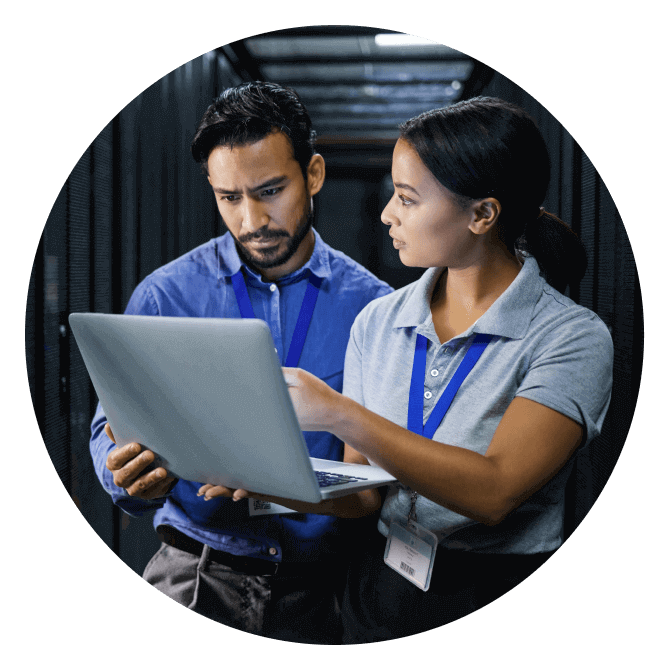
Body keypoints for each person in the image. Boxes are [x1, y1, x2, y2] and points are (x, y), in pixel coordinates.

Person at [214, 96, 614, 642]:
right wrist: (270, 479)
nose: (386, 215)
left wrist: (338, 414)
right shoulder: (378, 321)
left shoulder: (572, 338)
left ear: (482, 214)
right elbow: (363, 493)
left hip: (493, 584)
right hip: (376, 595)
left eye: (406, 199)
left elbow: (494, 491)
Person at [89, 81, 393, 644]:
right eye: (229, 197)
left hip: (320, 590)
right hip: (195, 577)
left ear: (315, 175)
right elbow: (110, 429)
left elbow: (380, 472)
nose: (251, 219)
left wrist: (281, 485)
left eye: (270, 190)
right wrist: (127, 472)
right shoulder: (163, 298)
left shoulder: (373, 309)